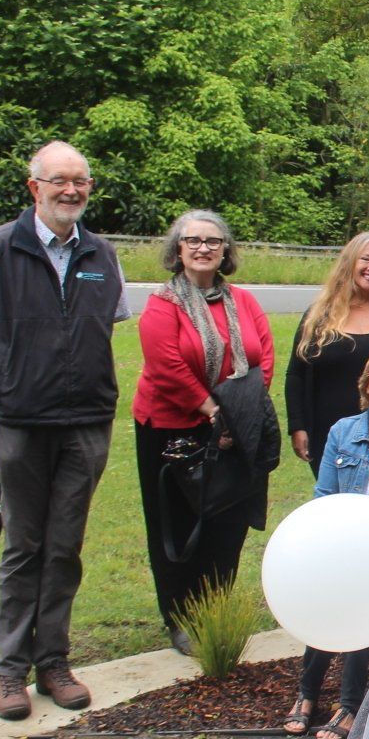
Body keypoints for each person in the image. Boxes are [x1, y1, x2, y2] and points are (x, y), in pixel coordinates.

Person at [0, 141, 128, 721]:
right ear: (35, 187)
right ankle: (10, 671)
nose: (72, 191)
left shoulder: (102, 254)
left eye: (81, 181)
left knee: (64, 547)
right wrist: (8, 391)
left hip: (85, 423)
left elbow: (104, 329)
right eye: (59, 180)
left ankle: (53, 661)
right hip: (22, 425)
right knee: (23, 545)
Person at [133, 210, 277, 653]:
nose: (203, 248)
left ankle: (213, 610)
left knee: (227, 522)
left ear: (225, 251)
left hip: (236, 430)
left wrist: (238, 417)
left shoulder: (244, 301)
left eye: (213, 242)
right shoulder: (163, 303)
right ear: (177, 249)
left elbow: (263, 356)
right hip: (174, 428)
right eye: (193, 240)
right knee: (178, 525)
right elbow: (168, 367)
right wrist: (217, 413)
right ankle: (179, 618)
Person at [281, 347, 369, 739]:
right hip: (343, 544)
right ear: (367, 383)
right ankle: (307, 694)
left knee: (364, 600)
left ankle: (349, 704)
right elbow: (325, 495)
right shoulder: (342, 432)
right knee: (327, 595)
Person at [285, 232, 369, 476]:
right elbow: (296, 373)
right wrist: (297, 426)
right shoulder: (318, 316)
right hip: (327, 429)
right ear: (350, 262)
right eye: (365, 259)